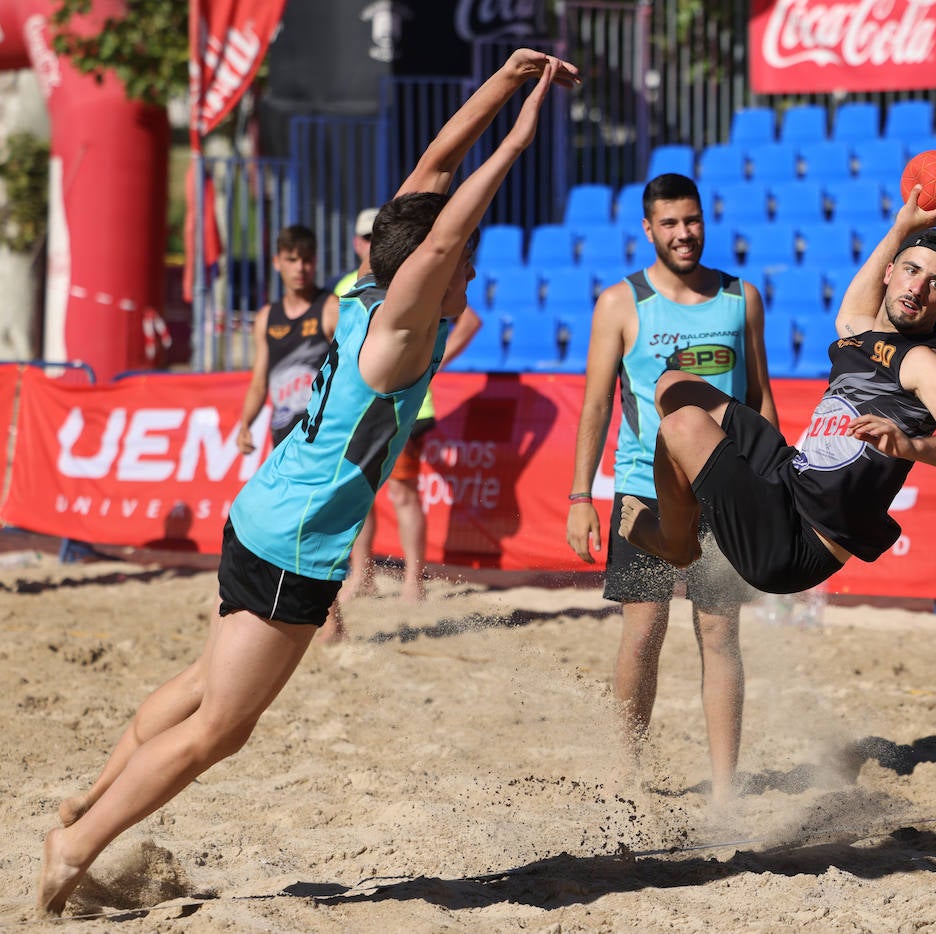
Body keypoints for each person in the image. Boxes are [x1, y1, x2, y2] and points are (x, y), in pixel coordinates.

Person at [36, 49, 579, 918]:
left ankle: (83, 804)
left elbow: (433, 170)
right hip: (297, 542)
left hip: (263, 508)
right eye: (460, 268)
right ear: (424, 273)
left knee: (198, 686)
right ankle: (73, 847)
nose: (467, 274)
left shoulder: (368, 281)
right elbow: (442, 230)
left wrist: (508, 82)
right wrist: (517, 138)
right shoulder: (399, 331)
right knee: (221, 728)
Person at [618, 186, 936, 598]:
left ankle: (674, 542)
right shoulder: (859, 335)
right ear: (890, 272)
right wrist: (902, 226)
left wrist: (913, 447)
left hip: (797, 542)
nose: (917, 289)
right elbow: (851, 311)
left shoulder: (924, 362)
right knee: (674, 384)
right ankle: (685, 529)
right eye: (912, 270)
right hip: (787, 480)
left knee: (683, 425)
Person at [566, 172, 776, 805]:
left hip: (725, 486)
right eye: (670, 223)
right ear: (648, 228)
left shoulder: (743, 297)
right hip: (641, 490)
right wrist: (581, 496)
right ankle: (624, 776)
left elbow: (760, 396)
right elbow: (597, 404)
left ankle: (723, 790)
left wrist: (774, 483)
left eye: (693, 220)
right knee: (644, 630)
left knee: (719, 633)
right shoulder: (619, 303)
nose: (684, 234)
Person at [337, 207, 484, 603]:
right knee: (357, 496)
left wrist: (426, 364)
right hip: (362, 406)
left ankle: (413, 582)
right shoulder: (346, 285)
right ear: (355, 242)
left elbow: (470, 320)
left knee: (403, 494)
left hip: (407, 407)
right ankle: (362, 574)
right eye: (365, 237)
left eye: (375, 237)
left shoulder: (408, 281)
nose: (370, 244)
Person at [235, 224, 344, 639]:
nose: (301, 268)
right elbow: (260, 378)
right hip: (283, 438)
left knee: (312, 526)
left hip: (320, 437)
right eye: (292, 259)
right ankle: (314, 617)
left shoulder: (328, 308)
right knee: (287, 526)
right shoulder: (268, 317)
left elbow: (349, 367)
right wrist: (245, 422)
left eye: (308, 259)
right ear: (278, 262)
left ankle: (332, 621)